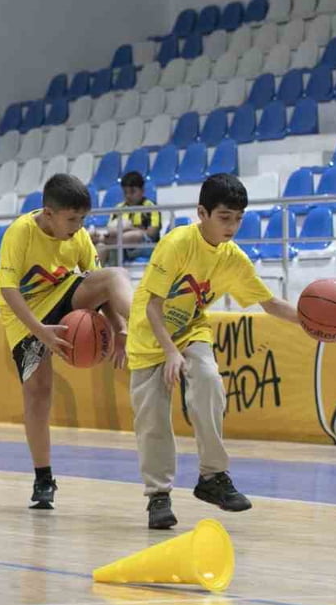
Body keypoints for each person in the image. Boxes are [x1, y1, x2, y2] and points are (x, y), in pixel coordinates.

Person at [128, 172, 301, 529]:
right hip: (149, 336)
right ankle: (158, 496)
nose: (232, 226)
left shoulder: (232, 258)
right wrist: (169, 352)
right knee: (153, 422)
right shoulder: (177, 243)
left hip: (191, 330)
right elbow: (152, 306)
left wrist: (313, 324)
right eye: (224, 217)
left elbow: (270, 303)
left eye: (238, 218)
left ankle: (212, 477)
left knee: (209, 381)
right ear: (202, 213)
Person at [0, 173, 132, 510]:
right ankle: (43, 478)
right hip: (25, 317)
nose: (78, 226)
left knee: (115, 275)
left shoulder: (78, 236)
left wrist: (120, 329)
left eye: (82, 219)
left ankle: (146, 324)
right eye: (72, 219)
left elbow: (100, 286)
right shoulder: (20, 232)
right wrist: (40, 330)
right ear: (49, 213)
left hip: (63, 295)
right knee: (38, 396)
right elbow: (8, 290)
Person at [93, 171, 161, 266]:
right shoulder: (119, 208)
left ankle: (102, 239)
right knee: (101, 247)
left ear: (142, 191)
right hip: (121, 245)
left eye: (132, 192)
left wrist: (129, 228)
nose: (128, 196)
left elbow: (151, 233)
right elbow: (111, 230)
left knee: (136, 235)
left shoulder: (151, 207)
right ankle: (95, 273)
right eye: (125, 192)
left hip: (145, 246)